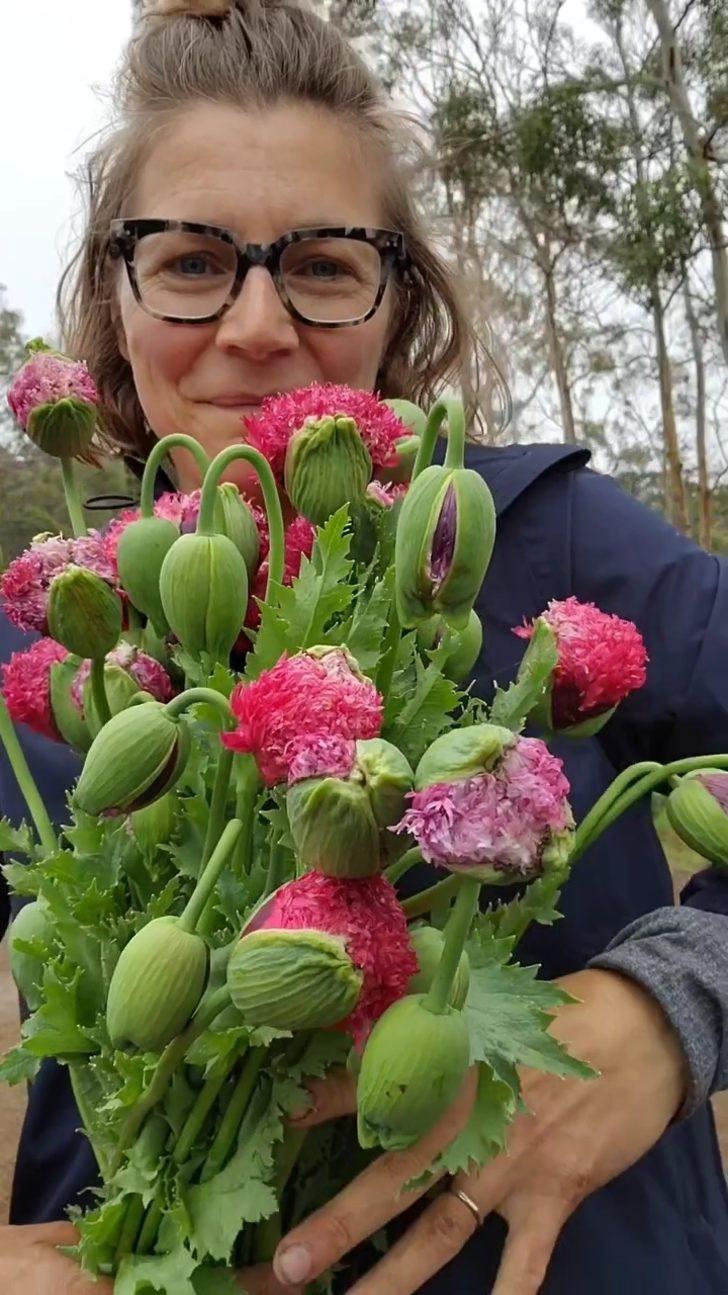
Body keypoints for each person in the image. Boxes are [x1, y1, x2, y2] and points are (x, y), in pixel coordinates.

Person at [1, 1, 727, 1291]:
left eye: (326, 264)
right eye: (188, 262)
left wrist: (666, 1010)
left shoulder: (533, 539)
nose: (257, 324)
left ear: (403, 302)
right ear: (113, 301)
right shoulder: (65, 647)